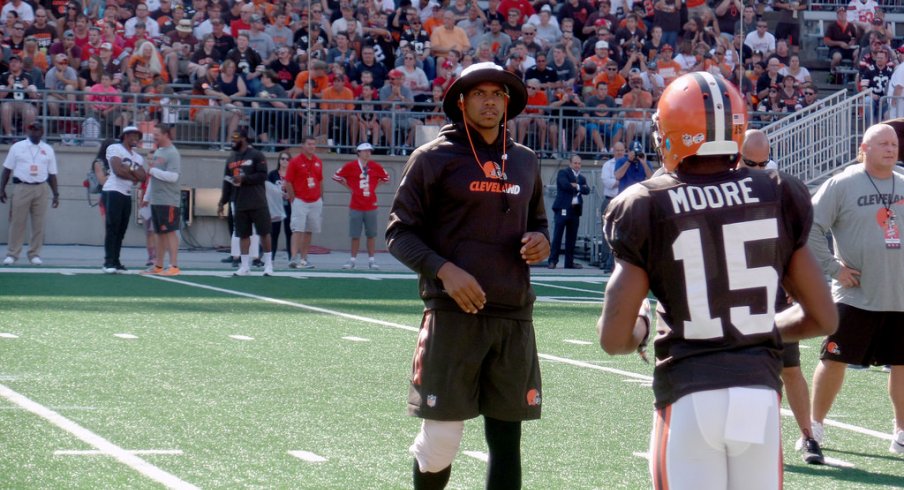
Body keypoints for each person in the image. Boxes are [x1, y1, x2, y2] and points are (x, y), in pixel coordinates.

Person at [598, 72, 838, 489]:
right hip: (758, 395)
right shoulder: (777, 190)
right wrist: (757, 325)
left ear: (670, 132)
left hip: (690, 393)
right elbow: (822, 317)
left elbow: (613, 338)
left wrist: (639, 329)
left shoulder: (645, 203)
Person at [386, 61, 549, 489]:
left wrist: (540, 241)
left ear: (509, 103)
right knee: (440, 441)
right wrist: (444, 271)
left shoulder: (526, 161)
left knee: (506, 439)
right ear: (461, 102)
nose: (490, 101)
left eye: (498, 94)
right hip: (453, 315)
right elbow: (399, 233)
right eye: (480, 93)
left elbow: (540, 225)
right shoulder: (433, 158)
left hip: (513, 315)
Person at [807, 123, 904, 455]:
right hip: (855, 295)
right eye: (883, 144)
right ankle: (814, 429)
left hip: (899, 295)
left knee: (903, 366)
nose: (891, 149)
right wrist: (835, 269)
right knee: (834, 360)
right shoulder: (842, 184)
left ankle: (902, 433)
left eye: (893, 144)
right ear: (864, 148)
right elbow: (810, 228)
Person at [740, 128, 823, 464]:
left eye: (764, 162)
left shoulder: (782, 190)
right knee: (736, 368)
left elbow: (794, 244)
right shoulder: (719, 188)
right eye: (750, 162)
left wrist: (795, 284)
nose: (759, 169)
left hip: (774, 290)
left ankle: (808, 437)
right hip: (735, 293)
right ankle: (744, 439)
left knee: (790, 367)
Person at [0, 122, 58, 266]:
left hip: (41, 188)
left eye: (38, 130)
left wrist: (56, 193)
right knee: (17, 222)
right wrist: (1, 189)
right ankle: (13, 254)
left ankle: (34, 254)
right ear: (28, 131)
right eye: (32, 129)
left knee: (39, 223)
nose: (35, 132)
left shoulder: (48, 149)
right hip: (22, 187)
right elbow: (7, 170)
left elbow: (52, 174)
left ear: (42, 132)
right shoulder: (17, 147)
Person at [216, 128, 273, 277]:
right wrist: (222, 202)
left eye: (236, 138)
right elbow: (227, 182)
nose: (234, 141)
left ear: (245, 139)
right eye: (232, 138)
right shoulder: (231, 158)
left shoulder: (256, 155)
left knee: (264, 233)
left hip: (257, 200)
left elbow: (262, 175)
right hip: (239, 201)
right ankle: (245, 265)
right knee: (243, 234)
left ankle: (268, 264)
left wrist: (245, 179)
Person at [333, 143, 390, 270]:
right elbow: (336, 176)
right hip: (356, 205)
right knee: (355, 234)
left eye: (369, 151)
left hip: (371, 205)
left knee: (371, 234)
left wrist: (375, 186)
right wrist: (350, 188)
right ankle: (352, 260)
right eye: (364, 151)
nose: (367, 153)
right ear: (358, 152)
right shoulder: (351, 166)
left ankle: (372, 260)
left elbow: (386, 178)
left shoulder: (375, 166)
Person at [101, 126, 146, 273]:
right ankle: (108, 262)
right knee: (112, 227)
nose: (136, 139)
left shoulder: (138, 157)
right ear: (126, 136)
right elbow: (117, 171)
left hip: (126, 193)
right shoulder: (115, 148)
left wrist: (130, 169)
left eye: (138, 136)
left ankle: (116, 260)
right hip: (113, 190)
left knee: (121, 229)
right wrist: (132, 173)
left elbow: (142, 177)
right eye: (134, 135)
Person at [141, 124, 181, 276]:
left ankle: (174, 265)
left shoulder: (173, 153)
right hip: (157, 200)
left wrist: (153, 170)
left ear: (166, 135)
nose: (154, 137)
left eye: (157, 134)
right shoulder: (158, 151)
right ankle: (158, 266)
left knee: (170, 232)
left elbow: (173, 177)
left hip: (168, 199)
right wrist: (147, 197)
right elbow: (153, 177)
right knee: (158, 233)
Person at [285, 136, 324, 270]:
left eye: (313, 144)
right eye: (309, 144)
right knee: (297, 230)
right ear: (303, 145)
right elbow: (288, 181)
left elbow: (320, 180)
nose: (312, 146)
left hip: (315, 200)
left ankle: (304, 259)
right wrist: (293, 198)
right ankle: (294, 257)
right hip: (300, 200)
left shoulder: (318, 161)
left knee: (309, 230)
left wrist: (321, 198)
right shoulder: (295, 162)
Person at [548, 154, 590, 270]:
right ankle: (552, 261)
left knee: (571, 238)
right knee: (557, 236)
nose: (577, 165)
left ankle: (569, 262)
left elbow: (587, 190)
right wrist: (579, 187)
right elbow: (565, 185)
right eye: (575, 163)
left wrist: (576, 186)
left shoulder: (582, 178)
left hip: (575, 210)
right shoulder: (563, 173)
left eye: (579, 163)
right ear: (570, 163)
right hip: (563, 208)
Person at [597, 141, 623, 273]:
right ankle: (605, 261)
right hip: (610, 200)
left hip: (623, 201)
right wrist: (621, 180)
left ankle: (619, 262)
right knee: (606, 232)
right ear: (613, 151)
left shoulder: (627, 164)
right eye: (617, 150)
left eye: (621, 150)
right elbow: (608, 183)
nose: (619, 152)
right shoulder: (608, 165)